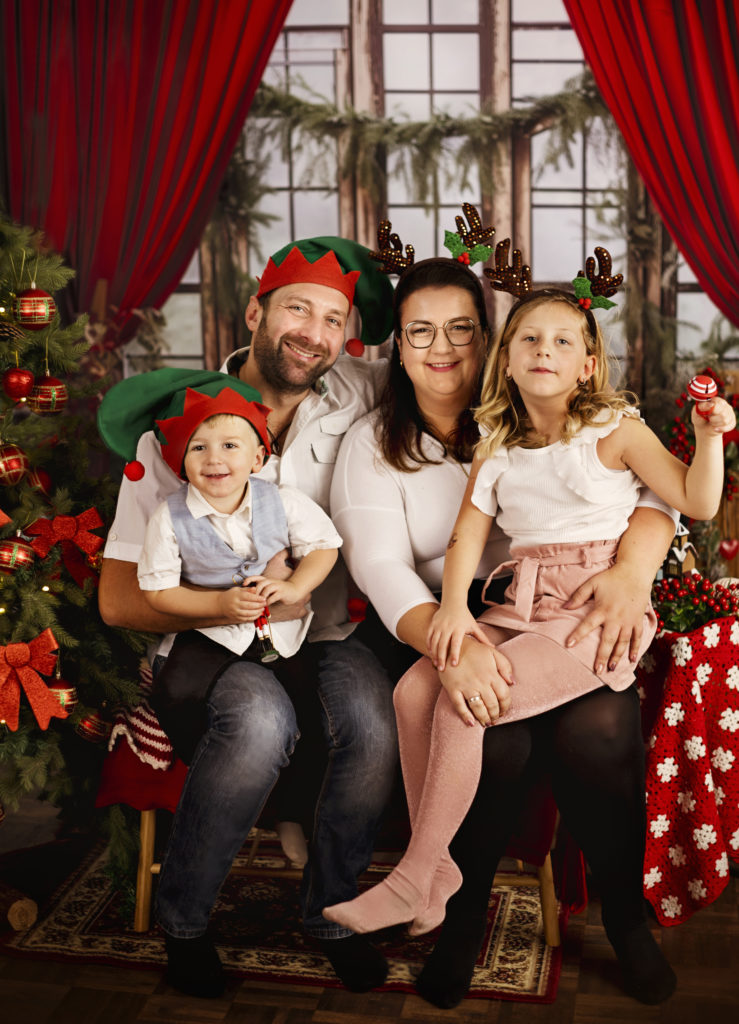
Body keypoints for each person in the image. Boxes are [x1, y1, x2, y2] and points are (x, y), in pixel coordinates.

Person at [327, 217, 684, 1008]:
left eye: (460, 327)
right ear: (397, 346)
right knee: (492, 730)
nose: (441, 346)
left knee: (594, 731)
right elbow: (384, 572)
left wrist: (631, 571)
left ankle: (626, 921)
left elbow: (657, 491)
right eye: (419, 331)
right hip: (452, 627)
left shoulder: (550, 413)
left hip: (570, 614)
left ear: (492, 338)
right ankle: (455, 911)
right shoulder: (373, 443)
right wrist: (459, 645)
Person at [97, 238, 400, 997]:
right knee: (261, 723)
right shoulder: (178, 427)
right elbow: (118, 598)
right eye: (298, 308)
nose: (314, 332)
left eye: (335, 319)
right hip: (208, 648)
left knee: (371, 722)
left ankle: (333, 913)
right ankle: (186, 923)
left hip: (320, 634)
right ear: (256, 310)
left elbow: (447, 365)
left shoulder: (360, 397)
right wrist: (220, 603)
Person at [98, 370, 343, 764]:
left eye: (230, 445)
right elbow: (157, 591)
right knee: (177, 689)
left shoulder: (283, 501)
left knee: (308, 707)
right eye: (198, 448)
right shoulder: (169, 518)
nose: (214, 458)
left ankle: (291, 814)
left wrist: (296, 588)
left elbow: (324, 546)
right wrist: (218, 607)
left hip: (281, 635)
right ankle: (207, 763)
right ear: (180, 463)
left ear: (257, 458)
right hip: (208, 635)